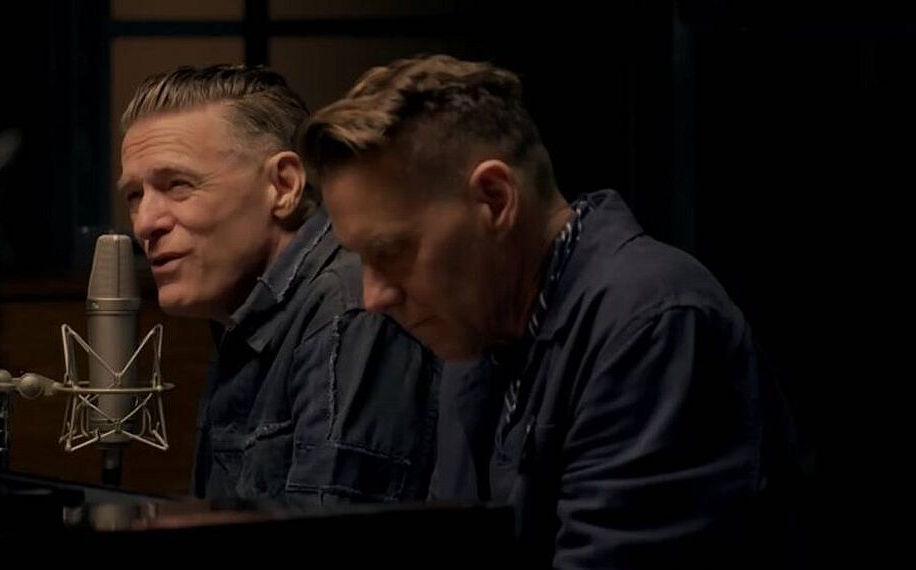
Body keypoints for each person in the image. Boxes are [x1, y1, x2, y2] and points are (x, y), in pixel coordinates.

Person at [300, 54, 800, 567]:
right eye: (361, 260)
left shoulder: (651, 324)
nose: (373, 297)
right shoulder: (478, 331)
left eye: (391, 252)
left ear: (495, 199)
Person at [118, 64, 439, 504]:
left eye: (177, 185)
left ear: (283, 186)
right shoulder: (242, 311)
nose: (145, 223)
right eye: (135, 195)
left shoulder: (346, 312)